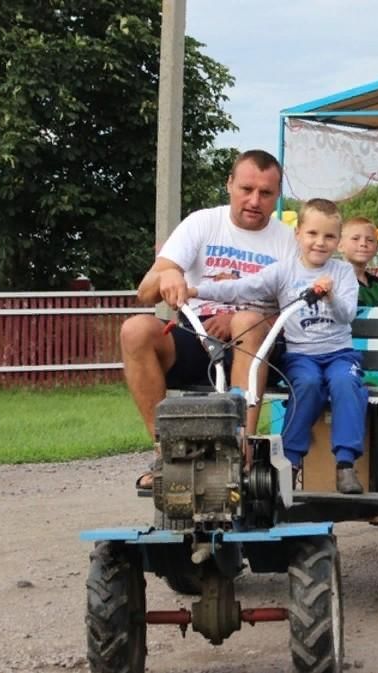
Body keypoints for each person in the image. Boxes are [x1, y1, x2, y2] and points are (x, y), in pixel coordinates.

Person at [120, 150, 299, 490]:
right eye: (246, 189)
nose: (254, 200)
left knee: (247, 319)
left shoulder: (287, 242)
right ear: (229, 184)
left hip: (256, 345)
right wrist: (168, 273)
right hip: (198, 337)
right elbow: (145, 292)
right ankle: (166, 451)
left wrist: (234, 320)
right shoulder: (202, 223)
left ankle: (237, 448)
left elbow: (293, 310)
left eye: (265, 193)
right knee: (136, 329)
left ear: (277, 196)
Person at [186, 199, 366, 494]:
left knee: (345, 383)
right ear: (298, 234)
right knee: (306, 385)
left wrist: (330, 296)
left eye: (329, 236)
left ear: (338, 240)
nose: (320, 243)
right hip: (301, 355)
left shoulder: (342, 273)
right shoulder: (284, 271)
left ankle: (345, 463)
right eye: (312, 234)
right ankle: (290, 462)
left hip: (339, 354)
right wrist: (196, 290)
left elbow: (347, 315)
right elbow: (241, 288)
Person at [339, 216, 378, 308]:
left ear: (376, 248)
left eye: (370, 240)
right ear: (340, 245)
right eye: (355, 238)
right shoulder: (336, 282)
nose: (363, 243)